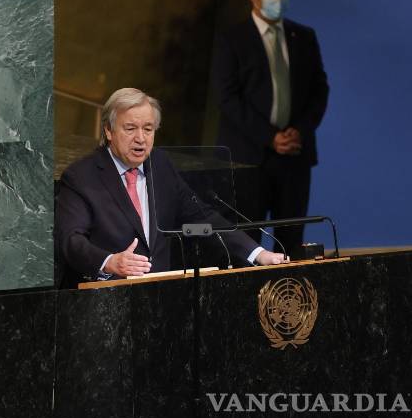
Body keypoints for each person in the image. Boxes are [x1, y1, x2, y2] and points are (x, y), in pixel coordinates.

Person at [55, 88, 286, 288]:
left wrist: (257, 253)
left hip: (161, 299)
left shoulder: (161, 165)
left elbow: (200, 220)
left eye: (148, 129)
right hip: (105, 302)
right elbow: (71, 240)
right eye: (130, 128)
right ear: (108, 130)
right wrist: (109, 262)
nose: (140, 138)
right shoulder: (81, 176)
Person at [212, 0, 329, 255]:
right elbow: (227, 99)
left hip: (294, 158)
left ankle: (289, 301)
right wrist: (270, 137)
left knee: (291, 238)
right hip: (248, 159)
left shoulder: (304, 37)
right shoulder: (232, 40)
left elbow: (320, 90)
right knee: (245, 240)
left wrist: (299, 131)